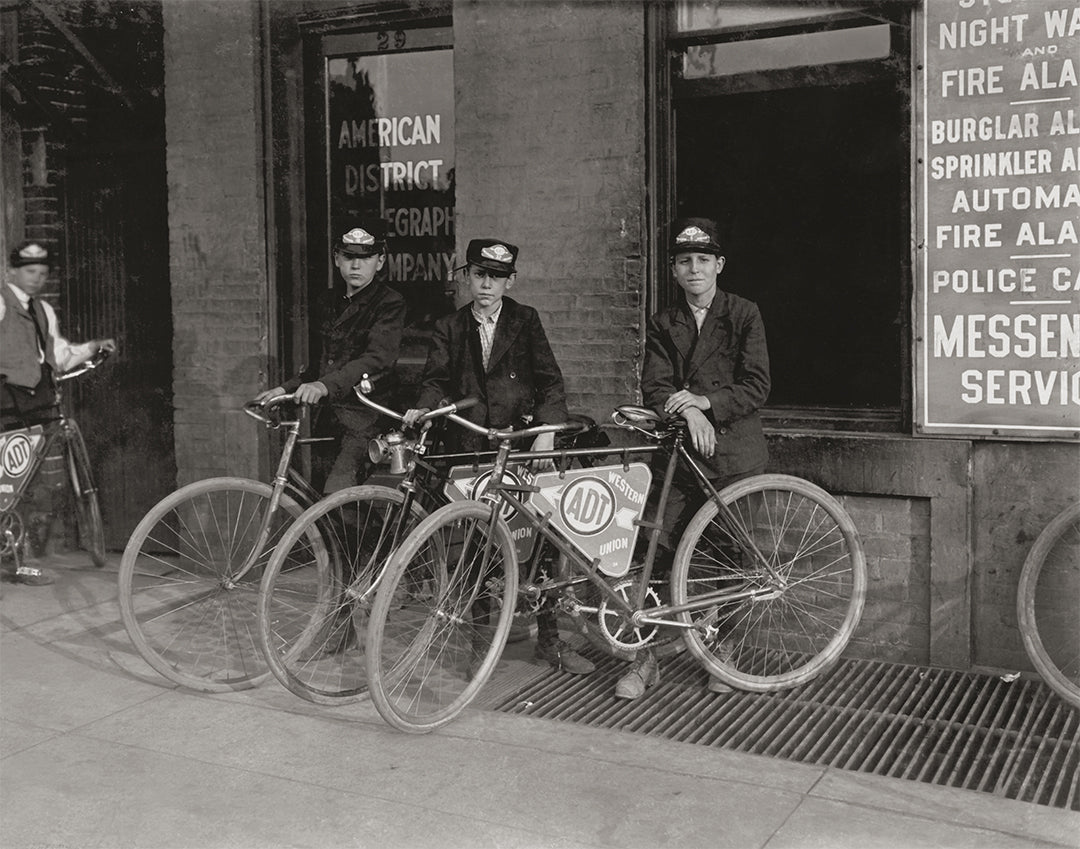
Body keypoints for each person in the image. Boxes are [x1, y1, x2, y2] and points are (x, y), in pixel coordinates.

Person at [402, 237, 595, 677]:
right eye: (479, 275)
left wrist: (545, 435)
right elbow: (435, 380)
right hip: (472, 449)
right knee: (475, 550)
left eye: (496, 277)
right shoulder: (450, 327)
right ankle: (479, 650)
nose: (486, 285)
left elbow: (550, 384)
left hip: (523, 449)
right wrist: (426, 407)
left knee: (542, 544)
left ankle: (551, 642)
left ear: (511, 281)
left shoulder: (525, 321)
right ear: (467, 276)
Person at [614, 217, 771, 699]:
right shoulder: (665, 322)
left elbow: (757, 384)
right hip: (680, 457)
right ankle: (647, 658)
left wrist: (704, 404)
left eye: (704, 260)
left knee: (730, 558)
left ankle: (722, 653)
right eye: (685, 262)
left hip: (734, 457)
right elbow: (656, 387)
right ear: (675, 271)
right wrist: (687, 410)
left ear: (719, 265)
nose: (695, 270)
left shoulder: (744, 314)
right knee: (655, 551)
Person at [256, 221, 405, 494]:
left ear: (380, 261)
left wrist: (324, 386)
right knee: (319, 499)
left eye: (365, 258)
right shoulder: (327, 301)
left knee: (337, 494)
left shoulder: (389, 303)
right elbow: (319, 367)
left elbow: (376, 359)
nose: (356, 266)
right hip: (328, 418)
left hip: (366, 419)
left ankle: (379, 538)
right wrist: (283, 390)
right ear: (337, 259)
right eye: (348, 257)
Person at [1, 240, 117, 586]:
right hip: (7, 404)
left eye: (42, 273)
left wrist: (92, 347)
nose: (36, 278)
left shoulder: (43, 311)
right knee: (11, 481)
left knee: (33, 484)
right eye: (29, 271)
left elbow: (59, 355)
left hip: (37, 404)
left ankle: (22, 560)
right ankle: (19, 559)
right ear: (12, 272)